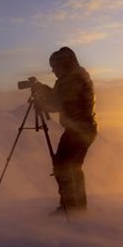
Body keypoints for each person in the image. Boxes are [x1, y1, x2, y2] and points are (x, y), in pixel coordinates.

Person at [34, 47, 97, 215]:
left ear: (63, 64)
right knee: (69, 167)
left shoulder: (72, 79)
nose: (53, 70)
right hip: (80, 129)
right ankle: (74, 207)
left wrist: (43, 96)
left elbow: (58, 103)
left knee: (65, 167)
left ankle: (72, 209)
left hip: (79, 130)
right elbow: (60, 99)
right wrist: (44, 90)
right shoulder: (72, 77)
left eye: (55, 66)